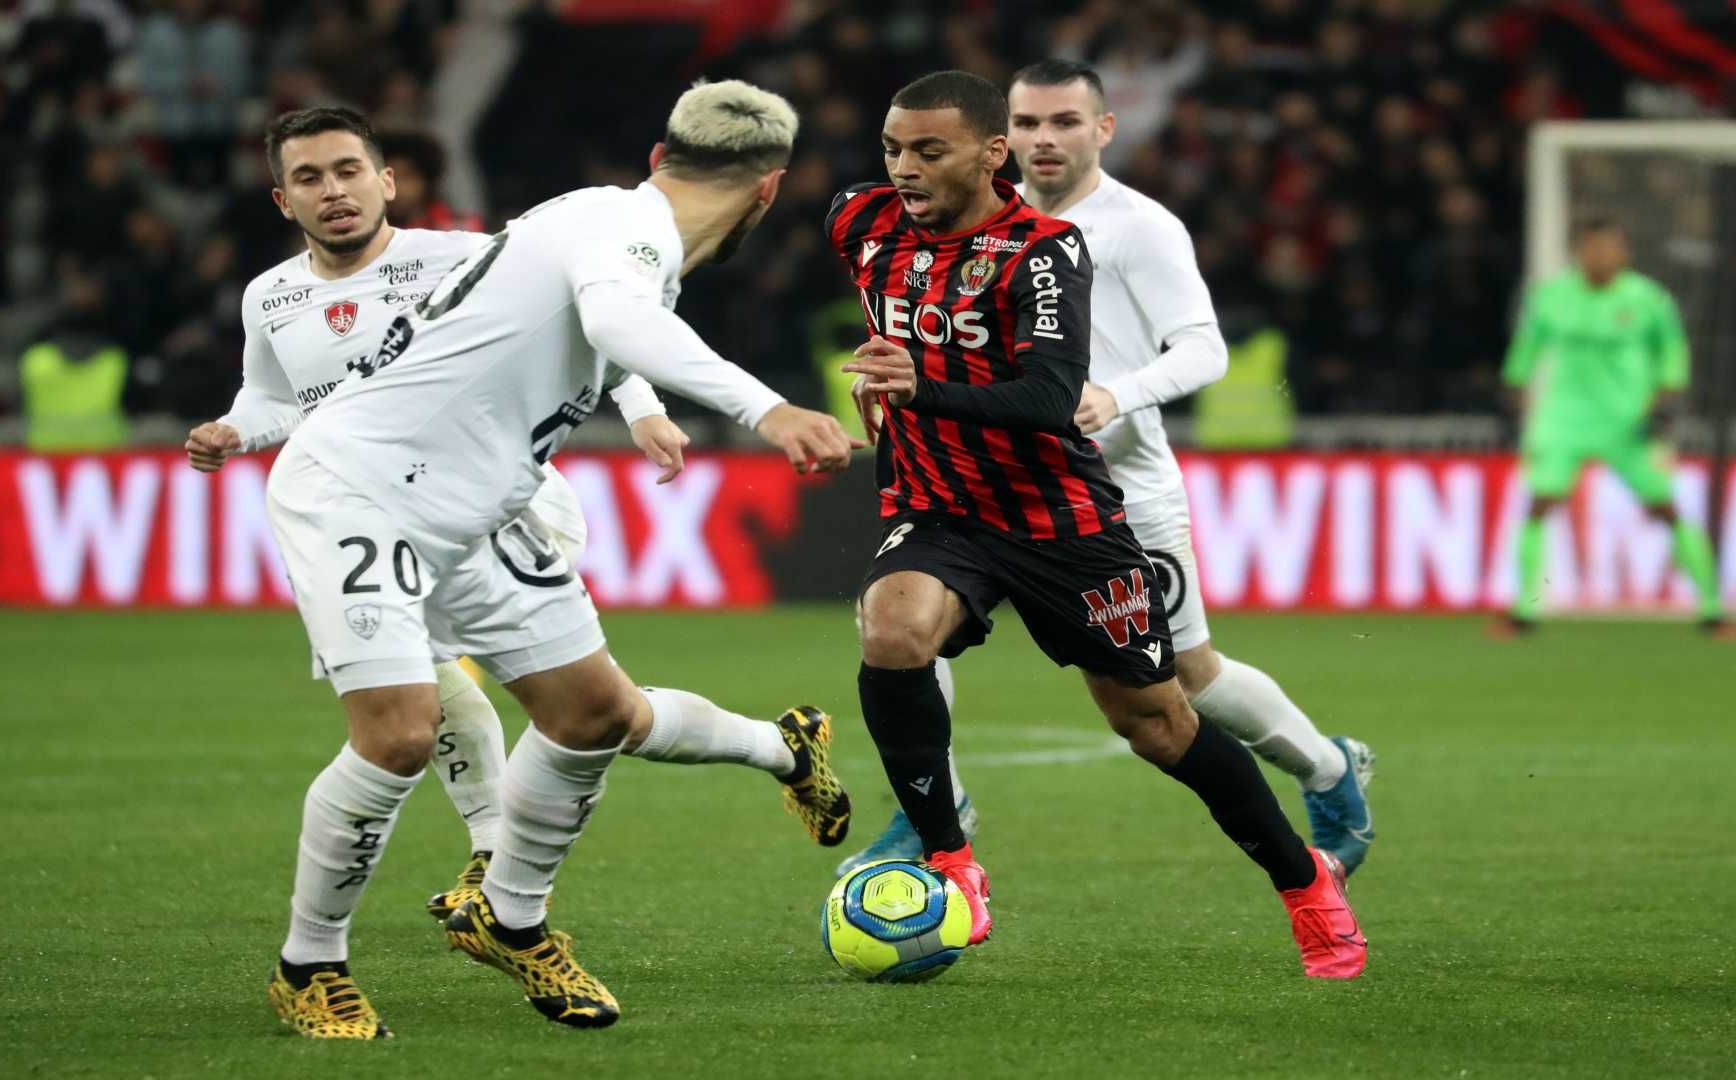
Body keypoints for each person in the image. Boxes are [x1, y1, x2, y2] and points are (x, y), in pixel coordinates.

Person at [233, 88, 858, 1037]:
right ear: (768, 193)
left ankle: (510, 920)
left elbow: (604, 330)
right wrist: (766, 408)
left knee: (596, 713)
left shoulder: (591, 218)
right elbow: (615, 323)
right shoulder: (628, 236)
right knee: (401, 732)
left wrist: (643, 406)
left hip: (476, 511)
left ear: (662, 153)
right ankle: (307, 964)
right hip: (358, 488)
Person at [832, 70, 1363, 980]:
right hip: (940, 504)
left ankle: (1303, 879)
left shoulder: (1046, 250)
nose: (904, 169)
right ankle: (953, 861)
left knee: (1161, 722)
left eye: (929, 151)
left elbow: (1048, 396)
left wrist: (919, 383)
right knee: (891, 629)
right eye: (892, 149)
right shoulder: (858, 219)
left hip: (1062, 517)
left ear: (987, 153)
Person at [1500, 216, 1727, 635]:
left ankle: (1712, 610)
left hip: (1629, 421)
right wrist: (1514, 397)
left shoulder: (1649, 299)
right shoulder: (1550, 297)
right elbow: (1525, 352)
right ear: (1577, 252)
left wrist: (1665, 402)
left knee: (1666, 508)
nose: (1600, 256)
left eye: (1608, 247)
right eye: (1592, 247)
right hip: (1562, 418)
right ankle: (1523, 611)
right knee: (1540, 504)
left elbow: (1673, 352)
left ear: (1624, 253)